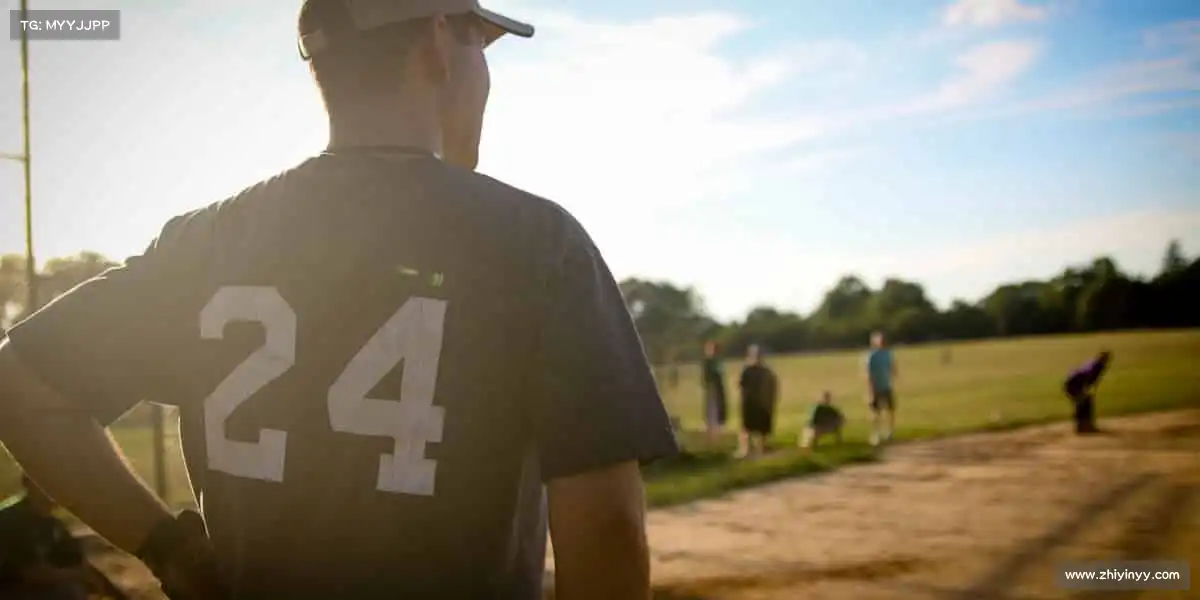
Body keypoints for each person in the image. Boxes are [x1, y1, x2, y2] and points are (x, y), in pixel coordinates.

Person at [0, 1, 679, 599]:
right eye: (480, 41)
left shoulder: (207, 241)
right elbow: (608, 530)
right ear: (439, 41)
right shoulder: (537, 243)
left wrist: (168, 547)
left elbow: (18, 387)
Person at [0, 474, 99, 600]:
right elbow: (33, 573)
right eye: (45, 483)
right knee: (67, 591)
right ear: (28, 483)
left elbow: (76, 560)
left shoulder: (54, 525)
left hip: (31, 589)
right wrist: (79, 575)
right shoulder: (11, 519)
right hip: (9, 590)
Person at [736, 345, 778, 458]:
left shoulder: (766, 371)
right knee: (746, 428)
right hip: (751, 402)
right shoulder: (747, 370)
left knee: (762, 429)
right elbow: (741, 386)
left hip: (761, 403)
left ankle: (761, 449)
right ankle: (745, 449)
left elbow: (772, 386)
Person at [1063, 350, 1112, 434]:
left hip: (1072, 381)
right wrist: (1084, 390)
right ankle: (1085, 426)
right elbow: (1087, 377)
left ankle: (1083, 425)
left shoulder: (1095, 363)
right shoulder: (1098, 366)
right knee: (1084, 401)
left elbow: (1090, 378)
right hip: (1074, 383)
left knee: (1084, 401)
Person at [865, 330, 898, 446]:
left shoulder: (888, 353)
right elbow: (868, 374)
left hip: (886, 386)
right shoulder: (871, 356)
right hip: (875, 387)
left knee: (891, 410)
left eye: (883, 339)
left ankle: (889, 432)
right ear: (874, 341)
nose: (882, 341)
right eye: (879, 339)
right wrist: (870, 390)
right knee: (875, 412)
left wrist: (894, 376)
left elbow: (893, 367)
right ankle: (876, 434)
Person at [700, 340, 728, 440]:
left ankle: (718, 430)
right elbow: (706, 377)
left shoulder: (718, 361)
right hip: (711, 388)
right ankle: (711, 430)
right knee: (711, 409)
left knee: (719, 407)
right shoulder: (707, 362)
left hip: (718, 387)